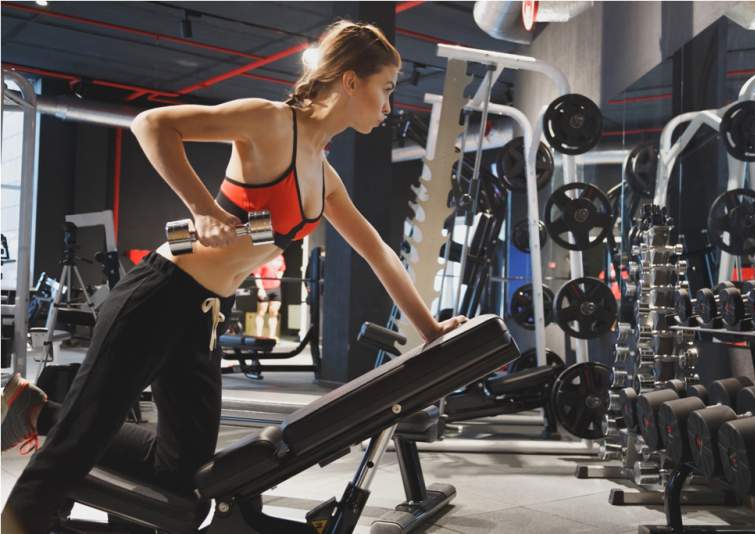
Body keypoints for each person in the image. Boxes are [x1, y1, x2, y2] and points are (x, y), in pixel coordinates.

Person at [1, 20, 467, 534]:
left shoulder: (324, 174)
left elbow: (377, 251)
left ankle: (38, 412)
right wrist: (201, 209)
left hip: (202, 315)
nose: (389, 105)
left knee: (184, 475)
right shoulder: (270, 122)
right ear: (350, 81)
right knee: (74, 449)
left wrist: (429, 330)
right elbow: (152, 125)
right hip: (159, 293)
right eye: (386, 88)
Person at [253, 254, 285, 339]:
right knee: (261, 313)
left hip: (276, 288)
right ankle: (258, 336)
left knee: (274, 313)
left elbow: (282, 269)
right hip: (264, 288)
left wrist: (278, 278)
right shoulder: (263, 257)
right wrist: (260, 288)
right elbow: (257, 274)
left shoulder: (280, 257)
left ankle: (272, 336)